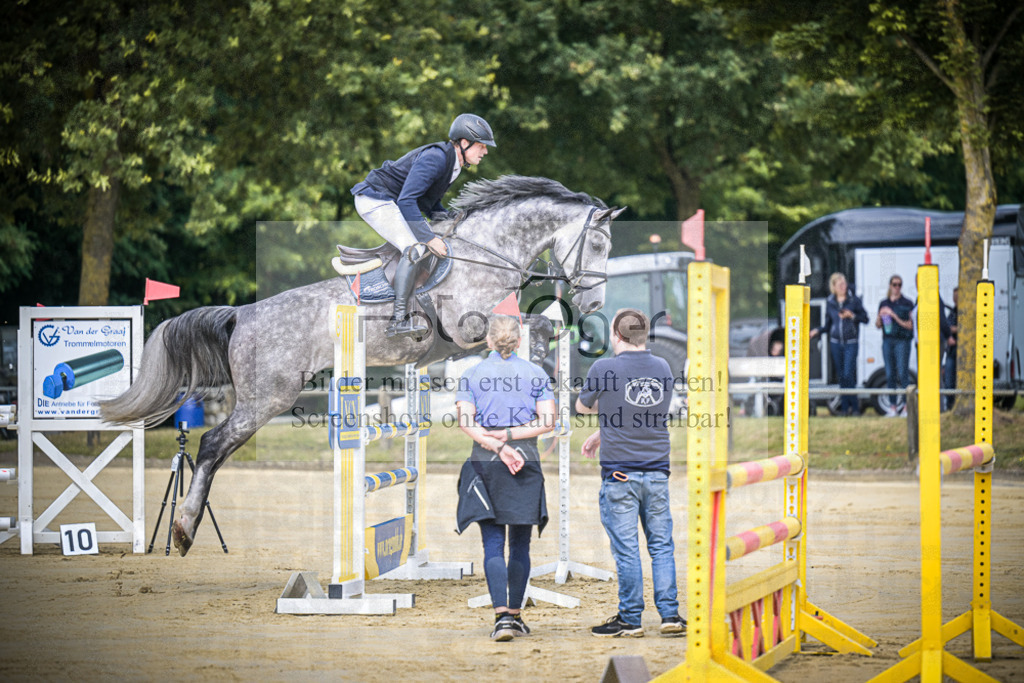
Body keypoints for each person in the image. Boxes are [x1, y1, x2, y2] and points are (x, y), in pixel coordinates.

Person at [576, 309, 686, 638]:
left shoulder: (603, 368)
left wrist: (608, 412)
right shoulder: (662, 366)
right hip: (657, 470)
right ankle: (670, 614)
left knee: (627, 550)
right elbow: (648, 408)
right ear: (644, 334)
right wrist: (608, 426)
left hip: (620, 473)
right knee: (661, 547)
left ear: (616, 335)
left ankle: (630, 618)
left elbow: (583, 406)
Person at [454, 315, 554, 642]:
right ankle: (515, 615)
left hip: (485, 459)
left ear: (488, 340)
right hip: (525, 458)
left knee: (493, 544)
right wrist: (510, 436)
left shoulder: (471, 374)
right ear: (519, 340)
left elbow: (467, 423)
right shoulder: (536, 373)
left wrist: (496, 443)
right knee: (521, 544)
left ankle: (501, 619)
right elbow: (548, 422)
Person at [350, 113, 496, 338]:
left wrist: (452, 218)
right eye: (481, 145)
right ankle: (398, 319)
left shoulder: (453, 165)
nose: (485, 151)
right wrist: (429, 239)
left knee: (425, 242)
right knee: (415, 249)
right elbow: (407, 200)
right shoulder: (436, 158)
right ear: (464, 142)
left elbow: (428, 203)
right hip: (375, 199)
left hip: (392, 201)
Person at [810, 273, 868, 416]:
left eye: (844, 284)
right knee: (842, 376)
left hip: (851, 342)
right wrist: (817, 331)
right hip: (835, 343)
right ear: (834, 287)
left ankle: (855, 408)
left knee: (848, 374)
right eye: (840, 284)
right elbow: (828, 325)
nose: (844, 286)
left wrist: (852, 316)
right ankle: (845, 409)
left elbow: (865, 318)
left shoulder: (854, 300)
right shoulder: (830, 302)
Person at [875, 274, 915, 416]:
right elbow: (878, 325)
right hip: (888, 340)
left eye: (899, 284)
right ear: (890, 286)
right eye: (894, 284)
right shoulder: (883, 303)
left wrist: (894, 316)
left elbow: (910, 325)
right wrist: (880, 316)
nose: (897, 287)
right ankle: (892, 406)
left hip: (902, 341)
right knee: (889, 373)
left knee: (903, 373)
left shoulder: (907, 303)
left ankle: (906, 406)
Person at [941, 287, 958, 410]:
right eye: (954, 296)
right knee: (949, 382)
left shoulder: (966, 312)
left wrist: (951, 329)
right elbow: (946, 327)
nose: (955, 298)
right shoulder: (952, 312)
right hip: (951, 352)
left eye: (957, 296)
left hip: (961, 352)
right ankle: (950, 407)